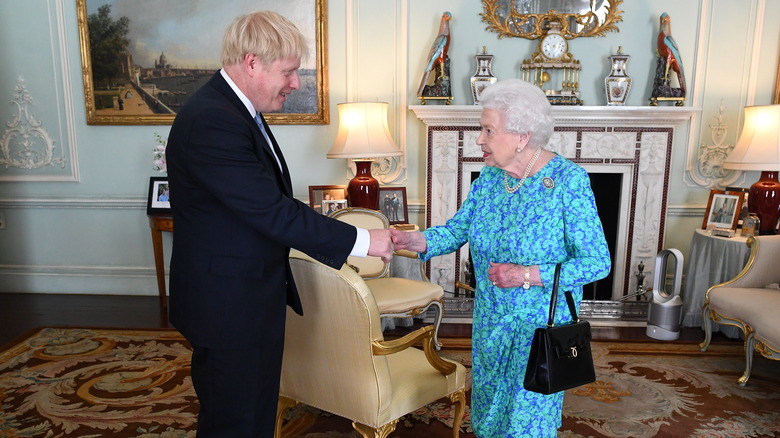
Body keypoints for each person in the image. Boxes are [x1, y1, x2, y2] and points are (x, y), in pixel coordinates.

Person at [164, 11, 394, 437]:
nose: (295, 83)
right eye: (288, 72)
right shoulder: (213, 119)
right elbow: (270, 209)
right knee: (235, 422)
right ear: (251, 63)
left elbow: (265, 205)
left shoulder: (234, 110)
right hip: (228, 305)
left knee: (251, 415)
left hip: (243, 297)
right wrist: (364, 240)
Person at [391, 78, 611, 437]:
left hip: (538, 328)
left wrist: (525, 275)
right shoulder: (490, 180)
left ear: (521, 136)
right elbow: (456, 230)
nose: (479, 138)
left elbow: (596, 262)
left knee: (525, 422)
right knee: (490, 413)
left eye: (488, 130)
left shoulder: (569, 182)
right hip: (491, 321)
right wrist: (413, 239)